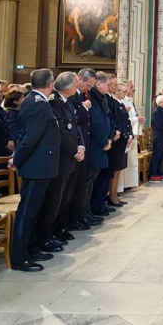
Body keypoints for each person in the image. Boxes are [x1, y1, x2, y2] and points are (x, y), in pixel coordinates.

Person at [10, 69, 60, 273]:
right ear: (50, 84)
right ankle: (20, 257)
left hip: (42, 165)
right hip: (36, 166)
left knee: (36, 211)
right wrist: (16, 160)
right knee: (27, 213)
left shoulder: (36, 101)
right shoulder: (37, 104)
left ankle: (32, 248)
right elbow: (30, 137)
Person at [39, 72, 84, 250]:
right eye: (75, 85)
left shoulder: (68, 101)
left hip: (71, 156)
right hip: (62, 157)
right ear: (68, 88)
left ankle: (59, 228)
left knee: (65, 196)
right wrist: (74, 150)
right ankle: (48, 233)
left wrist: (81, 147)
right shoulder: (54, 102)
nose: (78, 88)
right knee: (55, 199)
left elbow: (75, 125)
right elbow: (62, 131)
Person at [68, 68, 102, 231]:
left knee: (83, 183)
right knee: (75, 186)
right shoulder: (72, 97)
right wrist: (83, 107)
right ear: (79, 79)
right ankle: (74, 217)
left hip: (83, 144)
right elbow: (73, 119)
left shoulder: (82, 95)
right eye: (87, 85)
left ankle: (81, 213)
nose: (88, 89)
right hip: (74, 147)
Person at [88, 73, 114, 216]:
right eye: (108, 85)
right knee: (94, 179)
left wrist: (109, 138)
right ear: (98, 84)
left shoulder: (102, 98)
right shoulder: (93, 98)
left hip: (105, 143)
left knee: (103, 176)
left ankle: (100, 204)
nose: (109, 88)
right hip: (96, 145)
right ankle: (93, 208)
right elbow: (96, 122)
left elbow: (108, 119)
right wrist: (104, 141)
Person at [107, 82, 132, 207]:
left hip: (122, 139)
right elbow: (117, 121)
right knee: (115, 168)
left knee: (119, 169)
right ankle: (112, 195)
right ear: (117, 92)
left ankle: (115, 193)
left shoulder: (121, 104)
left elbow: (126, 121)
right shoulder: (115, 104)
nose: (125, 93)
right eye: (123, 91)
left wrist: (129, 134)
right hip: (117, 141)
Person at [118, 79, 143, 192]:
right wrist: (136, 120)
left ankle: (129, 183)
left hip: (131, 134)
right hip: (124, 135)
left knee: (131, 161)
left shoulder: (130, 101)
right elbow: (123, 119)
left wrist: (136, 120)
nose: (133, 88)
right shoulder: (121, 101)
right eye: (131, 86)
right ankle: (123, 185)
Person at [150, 95, 163, 182]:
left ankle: (159, 172)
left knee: (162, 156)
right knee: (156, 156)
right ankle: (153, 174)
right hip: (158, 137)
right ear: (159, 103)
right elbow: (158, 126)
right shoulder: (156, 112)